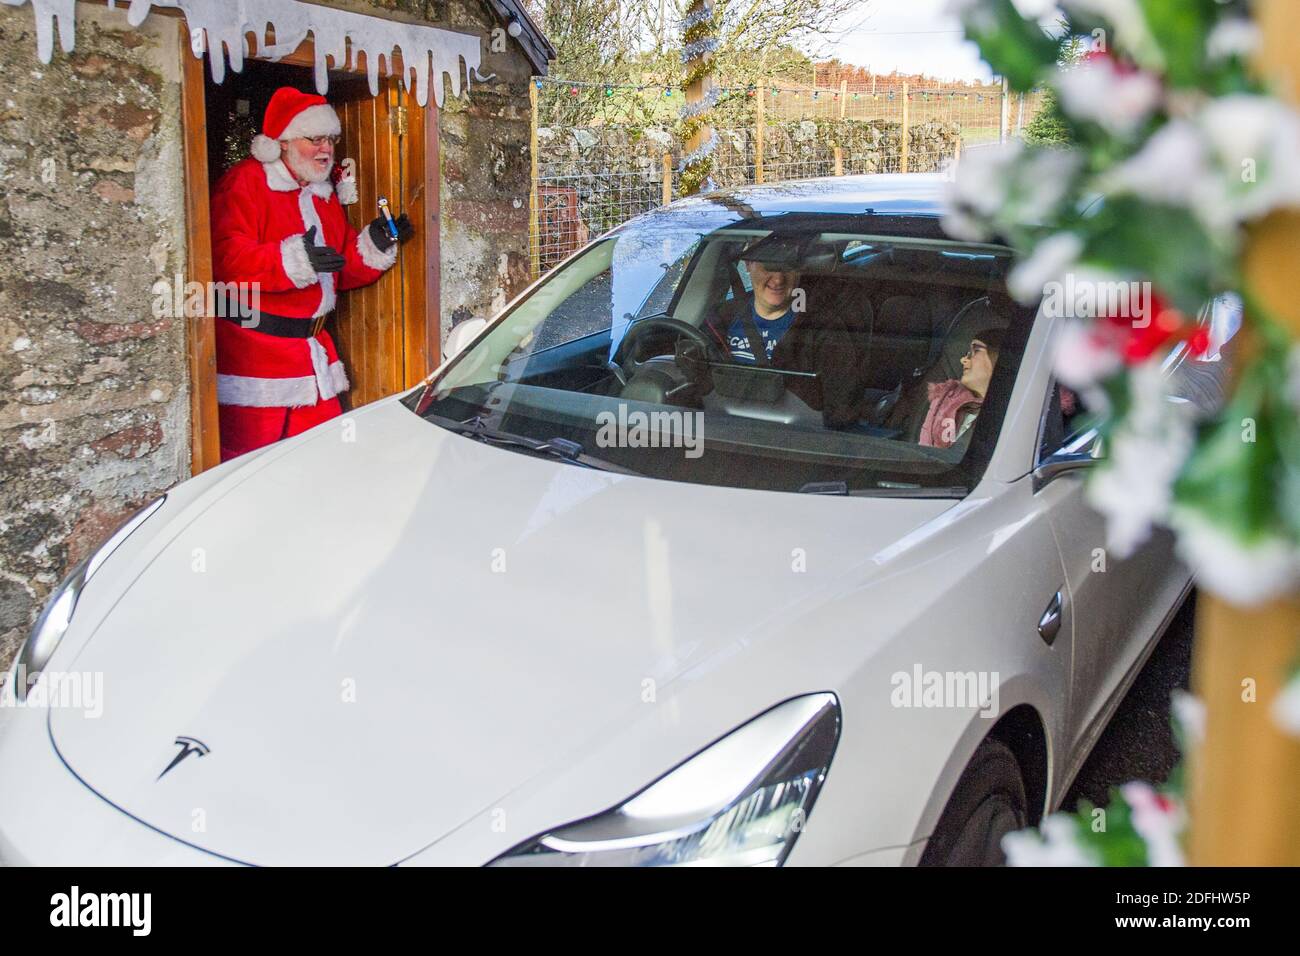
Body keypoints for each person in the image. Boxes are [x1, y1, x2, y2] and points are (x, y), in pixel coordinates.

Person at [210, 86, 415, 461]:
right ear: (283, 143)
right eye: (315, 139)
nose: (326, 149)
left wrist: (376, 241)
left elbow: (340, 269)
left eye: (331, 140)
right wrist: (292, 259)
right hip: (257, 364)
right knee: (252, 472)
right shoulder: (246, 182)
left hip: (313, 357)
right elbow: (223, 259)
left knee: (325, 462)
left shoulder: (323, 194)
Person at [676, 236, 864, 427]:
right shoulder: (719, 319)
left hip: (792, 440)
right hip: (721, 433)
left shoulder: (822, 328)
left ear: (799, 269)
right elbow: (691, 389)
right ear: (748, 264)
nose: (778, 279)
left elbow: (842, 411)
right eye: (768, 266)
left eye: (787, 266)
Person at [918, 329, 1002, 449]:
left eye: (976, 351)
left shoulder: (1009, 416)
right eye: (968, 353)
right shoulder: (944, 399)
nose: (963, 360)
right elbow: (923, 448)